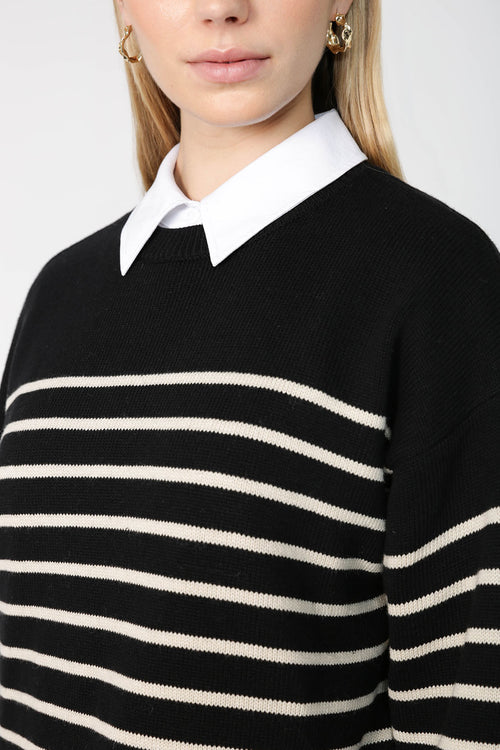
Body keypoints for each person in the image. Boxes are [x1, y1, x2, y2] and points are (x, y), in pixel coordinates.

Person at [0, 0, 498, 748]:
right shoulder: (59, 293)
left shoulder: (438, 281)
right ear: (125, 10)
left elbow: (469, 700)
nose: (221, 8)